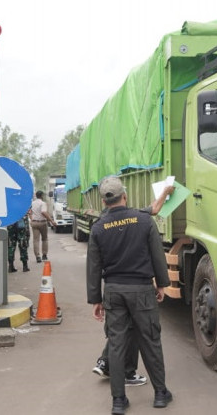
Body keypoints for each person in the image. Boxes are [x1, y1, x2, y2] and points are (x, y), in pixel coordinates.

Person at [87, 176, 173, 414]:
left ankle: (118, 401)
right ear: (125, 195)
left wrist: (96, 299)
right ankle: (160, 394)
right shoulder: (143, 221)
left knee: (116, 344)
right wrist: (162, 284)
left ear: (105, 202)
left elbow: (93, 267)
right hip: (142, 290)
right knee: (150, 340)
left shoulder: (98, 227)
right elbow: (157, 255)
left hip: (114, 292)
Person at [30, 190, 57, 263]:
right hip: (42, 223)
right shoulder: (43, 203)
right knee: (44, 239)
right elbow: (43, 212)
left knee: (36, 240)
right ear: (41, 196)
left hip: (34, 223)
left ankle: (37, 256)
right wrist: (51, 221)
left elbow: (29, 212)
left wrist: (32, 219)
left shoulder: (32, 203)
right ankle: (44, 255)